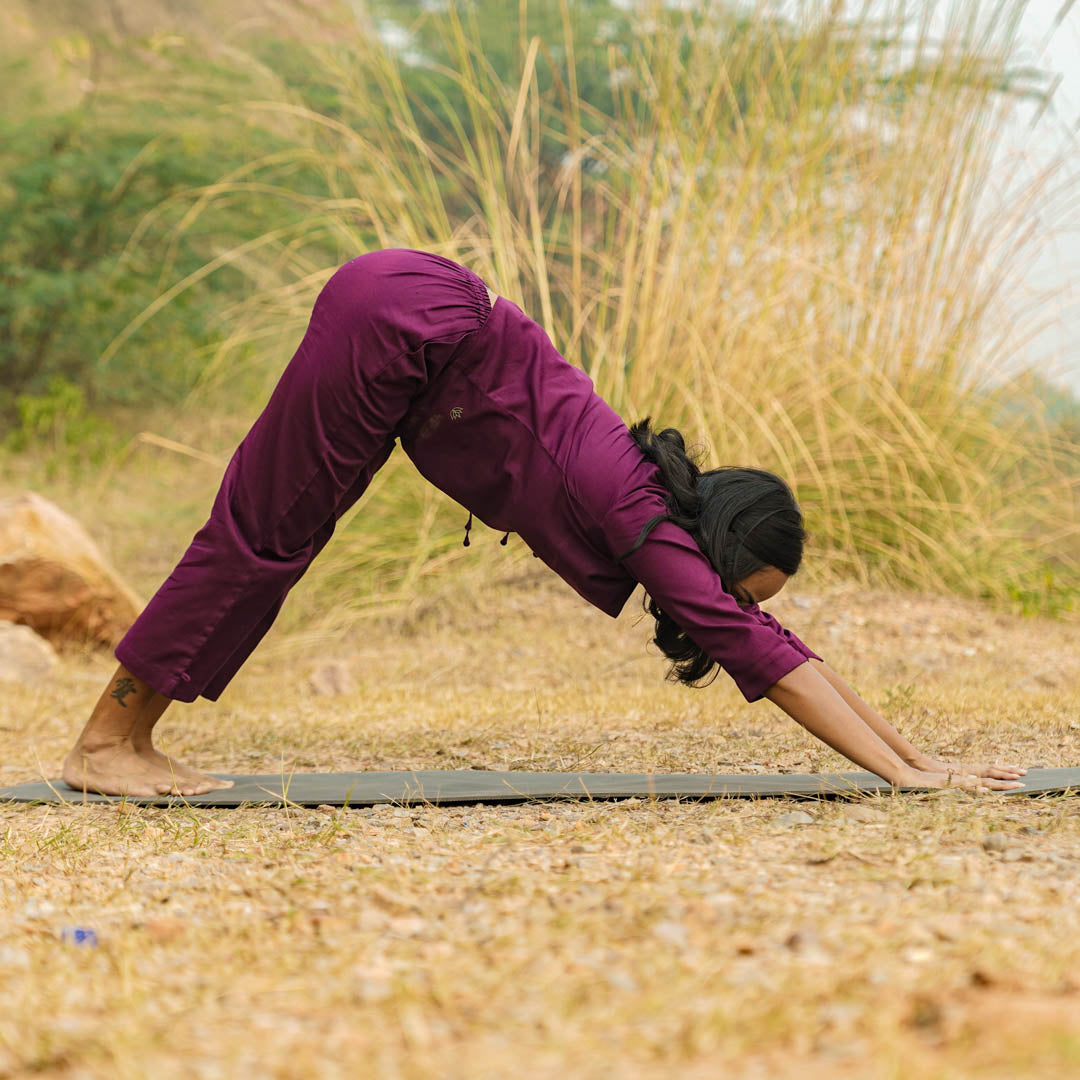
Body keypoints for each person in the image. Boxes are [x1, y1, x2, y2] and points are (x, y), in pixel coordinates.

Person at [62, 249, 1026, 797]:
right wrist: (906, 782)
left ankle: (129, 741)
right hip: (405, 325)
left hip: (414, 326)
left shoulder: (643, 494)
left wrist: (923, 759)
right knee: (263, 533)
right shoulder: (641, 512)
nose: (726, 605)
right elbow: (755, 649)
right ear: (718, 545)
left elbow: (769, 638)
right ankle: (106, 744)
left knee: (280, 537)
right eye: (733, 585)